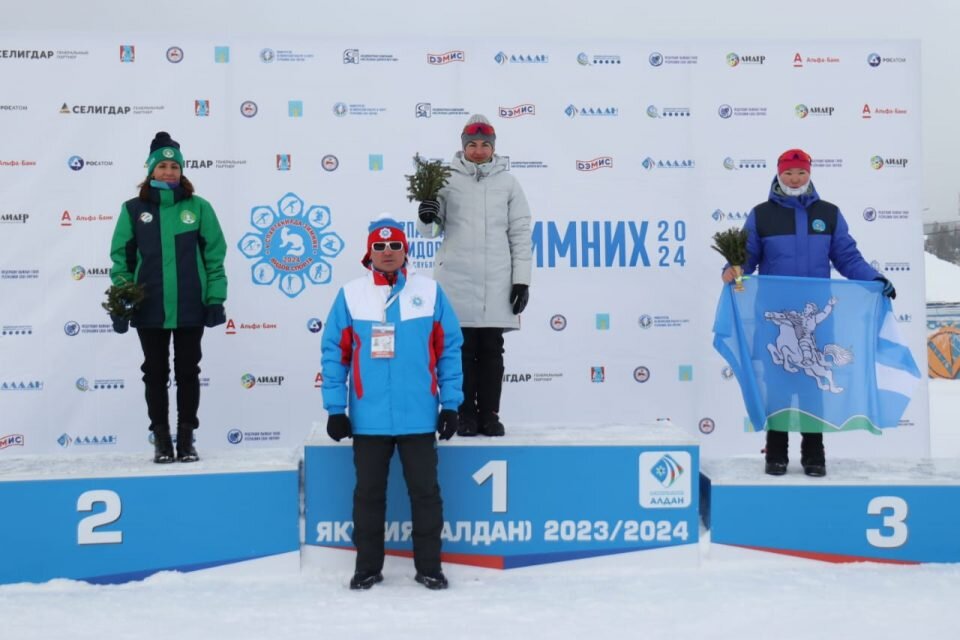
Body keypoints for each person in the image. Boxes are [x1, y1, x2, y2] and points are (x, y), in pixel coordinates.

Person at [721, 148, 896, 477]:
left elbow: (847, 257)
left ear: (810, 174)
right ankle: (776, 454)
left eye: (801, 173)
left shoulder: (828, 214)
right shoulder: (761, 215)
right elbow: (747, 257)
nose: (795, 179)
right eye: (789, 173)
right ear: (778, 174)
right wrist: (733, 268)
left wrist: (875, 279)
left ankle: (814, 454)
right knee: (779, 384)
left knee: (813, 385)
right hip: (777, 318)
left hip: (816, 318)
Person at [321, 217, 463, 591]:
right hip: (369, 419)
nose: (387, 253)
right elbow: (335, 353)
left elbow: (448, 350)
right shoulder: (352, 294)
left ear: (406, 251)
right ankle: (367, 567)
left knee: (426, 494)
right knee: (368, 495)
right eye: (380, 247)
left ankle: (429, 567)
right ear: (369, 253)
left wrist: (450, 404)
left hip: (418, 415)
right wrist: (336, 409)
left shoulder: (429, 292)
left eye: (395, 246)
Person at [109, 131, 227, 464]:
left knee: (188, 370)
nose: (169, 172)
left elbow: (214, 257)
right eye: (162, 166)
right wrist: (123, 299)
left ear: (182, 171)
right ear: (150, 171)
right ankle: (161, 439)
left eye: (174, 166)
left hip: (191, 304)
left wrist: (215, 298)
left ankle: (187, 438)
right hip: (150, 307)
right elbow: (122, 259)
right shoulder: (133, 210)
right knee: (155, 372)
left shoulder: (199, 208)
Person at [416, 114, 532, 437]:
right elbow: (430, 230)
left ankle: (489, 414)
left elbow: (521, 233)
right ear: (463, 147)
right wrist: (426, 215)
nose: (478, 151)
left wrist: (521, 279)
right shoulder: (445, 180)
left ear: (493, 148)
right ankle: (464, 413)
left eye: (484, 145)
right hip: (456, 281)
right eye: (472, 145)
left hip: (496, 281)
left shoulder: (508, 184)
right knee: (461, 351)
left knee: (492, 350)